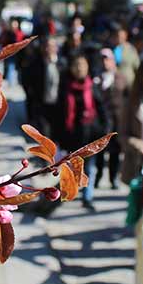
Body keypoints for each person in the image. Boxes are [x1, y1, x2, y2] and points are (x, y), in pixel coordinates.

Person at [58, 54, 110, 211]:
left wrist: (104, 129)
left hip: (90, 135)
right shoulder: (66, 87)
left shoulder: (92, 87)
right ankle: (69, 191)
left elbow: (102, 109)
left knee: (90, 168)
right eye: (77, 65)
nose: (80, 68)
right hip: (72, 136)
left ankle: (88, 197)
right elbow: (59, 113)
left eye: (83, 65)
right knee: (70, 167)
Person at [95, 48, 128, 189]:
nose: (105, 62)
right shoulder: (95, 78)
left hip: (117, 120)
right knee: (99, 150)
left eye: (107, 59)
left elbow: (127, 97)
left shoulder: (121, 77)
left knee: (115, 150)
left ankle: (113, 178)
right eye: (102, 59)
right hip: (101, 120)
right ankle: (97, 176)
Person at [22, 37, 64, 138]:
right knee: (45, 133)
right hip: (41, 104)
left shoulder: (62, 64)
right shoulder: (35, 64)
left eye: (51, 46)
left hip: (58, 105)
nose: (48, 49)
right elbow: (27, 81)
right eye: (46, 46)